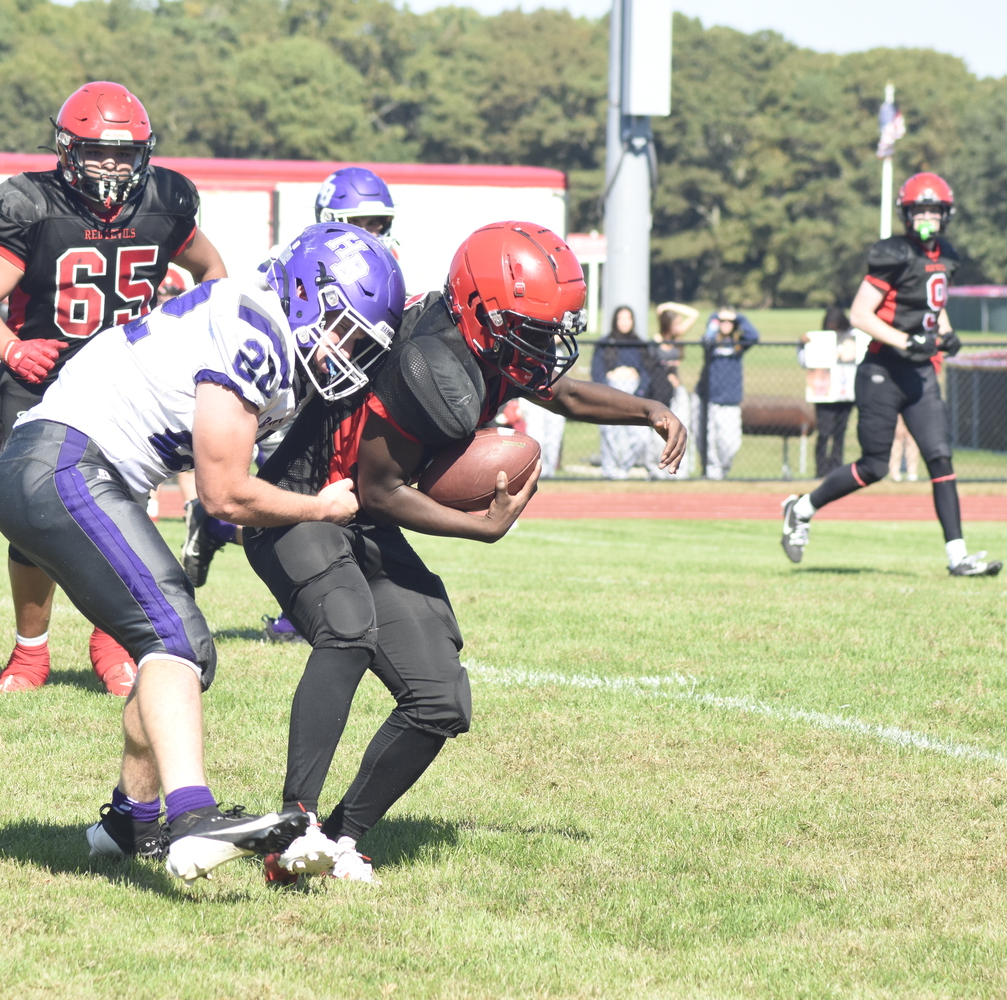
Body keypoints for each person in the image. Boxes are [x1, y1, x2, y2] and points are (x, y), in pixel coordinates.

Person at [245, 222, 687, 884]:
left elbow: (558, 390)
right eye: (532, 328)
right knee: (346, 629)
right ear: (481, 313)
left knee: (440, 698)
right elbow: (382, 489)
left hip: (356, 514)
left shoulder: (490, 345)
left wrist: (646, 407)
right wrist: (477, 526)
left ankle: (338, 839)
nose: (545, 342)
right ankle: (293, 824)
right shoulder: (432, 369)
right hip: (298, 504)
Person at [0, 223, 405, 882]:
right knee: (175, 639)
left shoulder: (262, 326)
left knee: (157, 643)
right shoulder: (257, 330)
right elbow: (224, 495)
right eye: (343, 328)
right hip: (64, 462)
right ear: (304, 292)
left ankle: (132, 820)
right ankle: (192, 816)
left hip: (62, 465)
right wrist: (321, 508)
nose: (345, 350)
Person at [0, 82, 228, 698]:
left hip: (128, 383)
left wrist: (190, 318)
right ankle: (30, 654)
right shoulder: (32, 203)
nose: (113, 164)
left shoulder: (166, 201)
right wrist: (13, 348)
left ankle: (110, 640)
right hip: (45, 380)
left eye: (126, 153)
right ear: (67, 149)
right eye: (100, 151)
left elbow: (212, 273)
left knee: (125, 509)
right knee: (32, 523)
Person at [181, 165, 402, 592]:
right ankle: (295, 598)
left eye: (378, 222)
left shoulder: (383, 266)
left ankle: (214, 529)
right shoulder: (303, 259)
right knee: (290, 499)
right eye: (359, 223)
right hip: (283, 389)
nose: (371, 232)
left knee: (325, 499)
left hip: (337, 389)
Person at [781, 172, 1000, 576]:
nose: (928, 217)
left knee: (940, 458)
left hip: (919, 373)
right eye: (921, 209)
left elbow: (933, 304)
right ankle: (802, 508)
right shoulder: (893, 253)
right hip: (883, 369)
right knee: (874, 466)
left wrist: (946, 335)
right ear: (906, 213)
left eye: (934, 209)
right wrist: (903, 341)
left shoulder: (946, 255)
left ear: (946, 213)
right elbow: (861, 313)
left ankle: (957, 557)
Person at [797, 304, 864, 478]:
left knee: (839, 434)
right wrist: (803, 345)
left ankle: (835, 469)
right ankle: (821, 470)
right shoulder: (819, 340)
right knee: (824, 433)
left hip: (845, 395)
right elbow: (806, 361)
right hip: (825, 395)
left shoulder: (853, 338)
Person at [591, 306, 652, 479]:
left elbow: (647, 372)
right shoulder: (605, 344)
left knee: (641, 437)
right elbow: (597, 372)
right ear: (615, 321)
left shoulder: (640, 344)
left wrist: (639, 391)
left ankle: (623, 467)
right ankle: (609, 471)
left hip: (633, 393)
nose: (624, 322)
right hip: (611, 391)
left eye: (628, 318)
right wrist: (606, 392)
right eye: (621, 318)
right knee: (609, 434)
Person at [696, 307, 758, 479]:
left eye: (729, 322)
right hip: (709, 400)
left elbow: (754, 336)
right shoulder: (711, 343)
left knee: (730, 444)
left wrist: (738, 316)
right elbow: (706, 338)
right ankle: (711, 472)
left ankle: (723, 470)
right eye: (722, 321)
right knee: (709, 442)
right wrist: (715, 317)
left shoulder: (738, 345)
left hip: (730, 401)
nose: (725, 324)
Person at [648, 301, 698, 478]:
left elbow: (694, 314)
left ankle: (681, 469)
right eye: (675, 322)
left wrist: (671, 305)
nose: (678, 326)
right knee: (661, 428)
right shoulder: (656, 340)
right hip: (661, 391)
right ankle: (658, 468)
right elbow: (660, 310)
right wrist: (664, 308)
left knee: (683, 426)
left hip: (678, 389)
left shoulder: (676, 338)